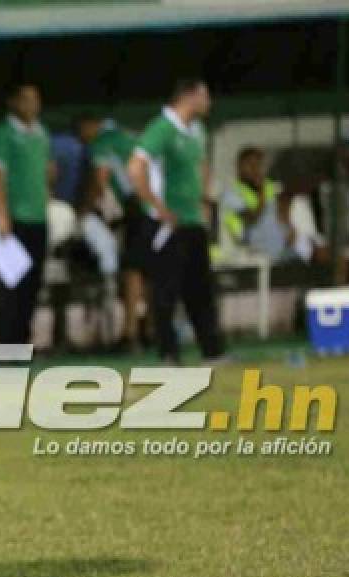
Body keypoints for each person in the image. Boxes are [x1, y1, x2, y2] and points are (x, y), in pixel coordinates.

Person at [128, 79, 227, 365]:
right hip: (167, 224)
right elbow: (136, 166)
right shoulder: (162, 128)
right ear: (188, 96)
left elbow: (201, 165)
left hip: (192, 220)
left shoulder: (196, 130)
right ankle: (169, 354)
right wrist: (156, 205)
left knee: (200, 288)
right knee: (165, 290)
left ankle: (212, 350)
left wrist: (204, 199)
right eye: (205, 95)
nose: (209, 102)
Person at [0, 84, 53, 345]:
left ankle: (23, 342)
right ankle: (4, 345)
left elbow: (47, 170)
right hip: (14, 220)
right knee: (10, 285)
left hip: (39, 218)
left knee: (33, 285)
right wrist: (2, 214)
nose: (32, 105)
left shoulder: (42, 134)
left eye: (36, 99)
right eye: (26, 99)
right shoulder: (3, 134)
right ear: (13, 102)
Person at [90, 118, 150, 352]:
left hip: (136, 205)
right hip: (158, 203)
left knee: (133, 270)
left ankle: (130, 332)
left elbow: (101, 181)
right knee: (151, 268)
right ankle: (152, 330)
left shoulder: (102, 143)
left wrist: (104, 213)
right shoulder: (133, 136)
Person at [221, 146, 298, 264]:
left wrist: (289, 229)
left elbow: (282, 212)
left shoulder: (270, 186)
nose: (254, 169)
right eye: (250, 164)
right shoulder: (232, 193)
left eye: (258, 164)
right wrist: (261, 191)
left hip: (282, 249)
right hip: (253, 252)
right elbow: (252, 218)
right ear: (239, 167)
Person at [51, 113, 101, 208]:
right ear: (84, 126)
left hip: (65, 203)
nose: (96, 132)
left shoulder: (86, 147)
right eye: (94, 128)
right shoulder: (67, 146)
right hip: (60, 202)